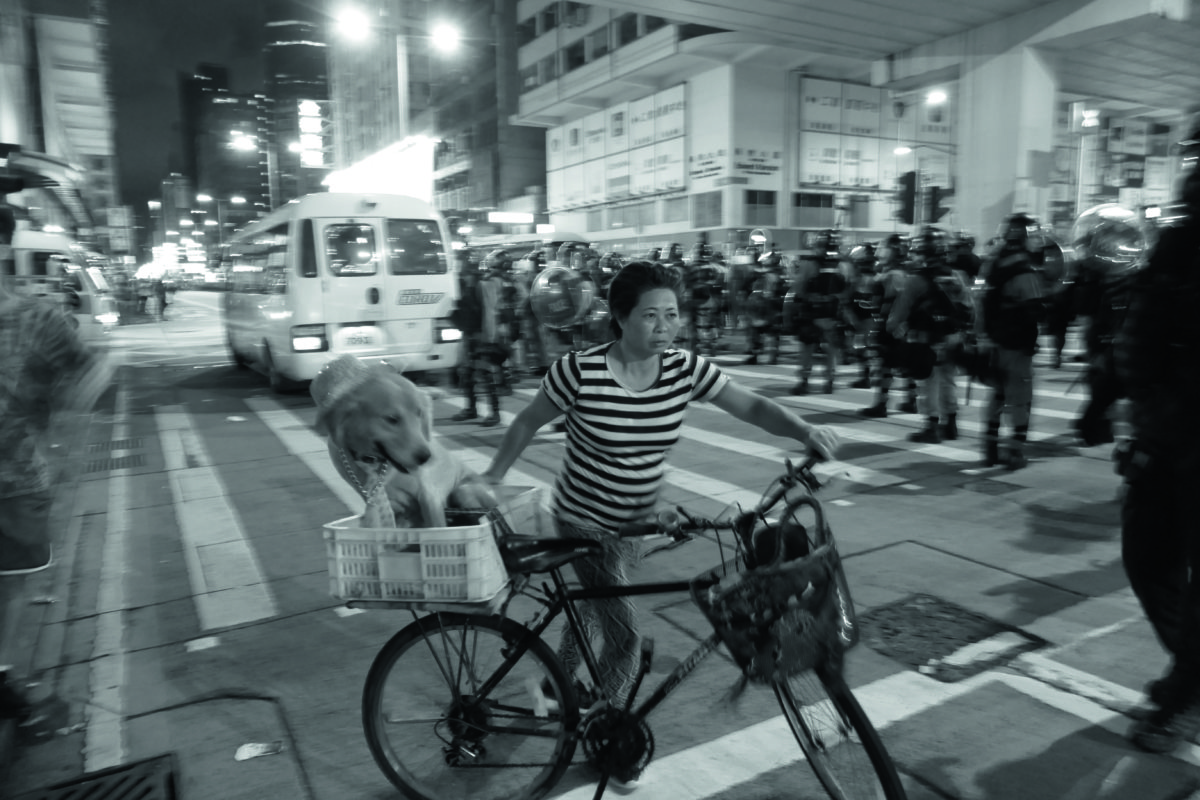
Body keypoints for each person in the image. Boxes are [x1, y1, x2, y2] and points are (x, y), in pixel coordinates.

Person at [482, 261, 839, 710]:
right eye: (650, 315)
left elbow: (751, 406)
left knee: (593, 609)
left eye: (671, 314)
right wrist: (493, 476)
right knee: (625, 634)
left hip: (634, 522)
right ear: (620, 316)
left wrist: (806, 432)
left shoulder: (684, 369)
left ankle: (554, 683)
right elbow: (527, 423)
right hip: (582, 520)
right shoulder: (579, 371)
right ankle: (608, 726)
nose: (664, 327)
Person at [1113, 113, 1200, 755]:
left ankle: (1186, 693)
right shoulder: (1182, 240)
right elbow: (1141, 339)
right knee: (1148, 559)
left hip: (1178, 435)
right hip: (1170, 434)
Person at [1, 273, 112, 576]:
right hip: (19, 487)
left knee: (10, 593)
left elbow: (94, 370)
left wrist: (63, 426)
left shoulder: (38, 320)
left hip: (15, 488)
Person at [886, 226, 974, 443]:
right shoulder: (956, 276)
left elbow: (899, 312)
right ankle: (951, 424)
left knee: (928, 383)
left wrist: (892, 329)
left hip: (927, 340)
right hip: (953, 337)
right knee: (948, 381)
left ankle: (931, 427)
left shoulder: (916, 280)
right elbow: (970, 306)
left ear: (922, 253)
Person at [976, 213, 1045, 469]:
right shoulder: (1024, 269)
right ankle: (1015, 451)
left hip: (993, 341)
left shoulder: (992, 262)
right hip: (1016, 343)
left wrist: (983, 336)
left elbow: (980, 300)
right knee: (1019, 397)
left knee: (997, 394)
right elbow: (1035, 308)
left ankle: (989, 448)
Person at [859, 234, 919, 418]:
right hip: (897, 324)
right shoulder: (900, 272)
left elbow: (894, 302)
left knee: (885, 363)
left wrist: (883, 324)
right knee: (903, 363)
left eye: (887, 248)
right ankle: (910, 400)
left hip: (890, 324)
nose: (881, 251)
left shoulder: (895, 275)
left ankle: (882, 403)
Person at [450, 252, 504, 426]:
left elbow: (488, 312)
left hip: (481, 336)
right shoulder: (464, 284)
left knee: (485, 374)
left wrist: (488, 338)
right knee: (466, 373)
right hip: (469, 335)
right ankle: (471, 409)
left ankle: (494, 413)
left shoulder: (482, 285)